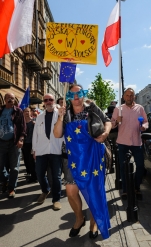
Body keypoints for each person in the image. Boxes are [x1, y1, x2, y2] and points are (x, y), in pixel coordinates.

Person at [53, 84, 112, 240]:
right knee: (71, 192)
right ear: (68, 97)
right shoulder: (64, 112)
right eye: (72, 94)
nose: (76, 97)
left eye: (79, 93)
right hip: (71, 158)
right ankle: (79, 218)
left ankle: (94, 223)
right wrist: (60, 116)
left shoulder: (91, 107)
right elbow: (57, 134)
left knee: (93, 191)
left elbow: (108, 121)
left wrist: (105, 133)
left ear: (83, 94)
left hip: (92, 157)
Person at [111, 88, 148, 200]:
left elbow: (146, 121)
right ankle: (126, 190)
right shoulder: (119, 109)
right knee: (123, 167)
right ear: (123, 97)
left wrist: (144, 127)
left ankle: (136, 187)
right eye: (127, 95)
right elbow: (111, 124)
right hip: (122, 142)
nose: (129, 97)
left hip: (137, 142)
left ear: (134, 97)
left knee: (140, 166)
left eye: (131, 95)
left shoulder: (140, 108)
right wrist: (117, 121)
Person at [32, 93, 63, 210]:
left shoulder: (60, 115)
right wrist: (34, 150)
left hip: (55, 150)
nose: (48, 102)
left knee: (56, 176)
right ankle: (45, 190)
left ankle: (56, 199)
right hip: (41, 150)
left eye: (51, 99)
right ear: (43, 102)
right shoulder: (39, 117)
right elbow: (35, 135)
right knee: (39, 174)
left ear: (54, 101)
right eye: (46, 100)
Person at [0, 93, 26, 198]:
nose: (10, 100)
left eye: (12, 98)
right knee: (0, 167)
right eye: (8, 98)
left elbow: (23, 127)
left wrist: (21, 139)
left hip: (14, 142)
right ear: (5, 99)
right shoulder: (1, 110)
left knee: (14, 168)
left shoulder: (18, 111)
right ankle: (6, 180)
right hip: (1, 142)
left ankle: (11, 188)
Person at [22, 108, 37, 183]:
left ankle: (34, 176)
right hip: (24, 144)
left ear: (30, 112)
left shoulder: (34, 122)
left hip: (32, 144)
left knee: (32, 161)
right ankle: (30, 173)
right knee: (26, 160)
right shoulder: (22, 122)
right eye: (25, 111)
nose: (27, 113)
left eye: (28, 111)